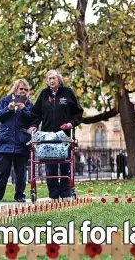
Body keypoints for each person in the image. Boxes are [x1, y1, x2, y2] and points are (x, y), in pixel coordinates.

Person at [28, 69, 83, 199]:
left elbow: (78, 113)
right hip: (47, 136)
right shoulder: (43, 94)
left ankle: (65, 193)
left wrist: (70, 124)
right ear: (47, 81)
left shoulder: (67, 93)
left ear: (59, 79)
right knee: (50, 165)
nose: (52, 81)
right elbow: (36, 113)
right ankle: (53, 194)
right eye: (49, 78)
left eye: (54, 78)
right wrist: (34, 125)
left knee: (65, 164)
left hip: (63, 136)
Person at [0, 79, 33, 203]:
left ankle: (20, 195)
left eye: (26, 90)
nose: (24, 91)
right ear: (15, 89)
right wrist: (8, 109)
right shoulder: (5, 101)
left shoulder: (29, 104)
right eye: (21, 89)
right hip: (5, 141)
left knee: (21, 172)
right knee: (2, 171)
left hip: (21, 141)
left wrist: (24, 109)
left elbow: (33, 119)